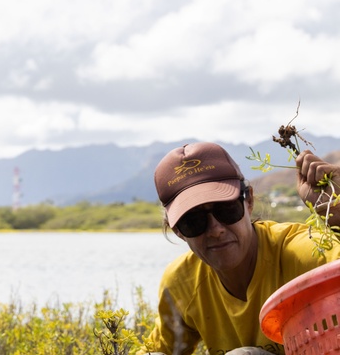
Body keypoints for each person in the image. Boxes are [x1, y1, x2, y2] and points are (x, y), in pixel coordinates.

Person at [142, 141, 340, 355]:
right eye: (194, 221)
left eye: (226, 209)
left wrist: (338, 217)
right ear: (177, 230)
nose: (216, 229)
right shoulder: (183, 282)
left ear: (249, 201)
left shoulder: (303, 253)